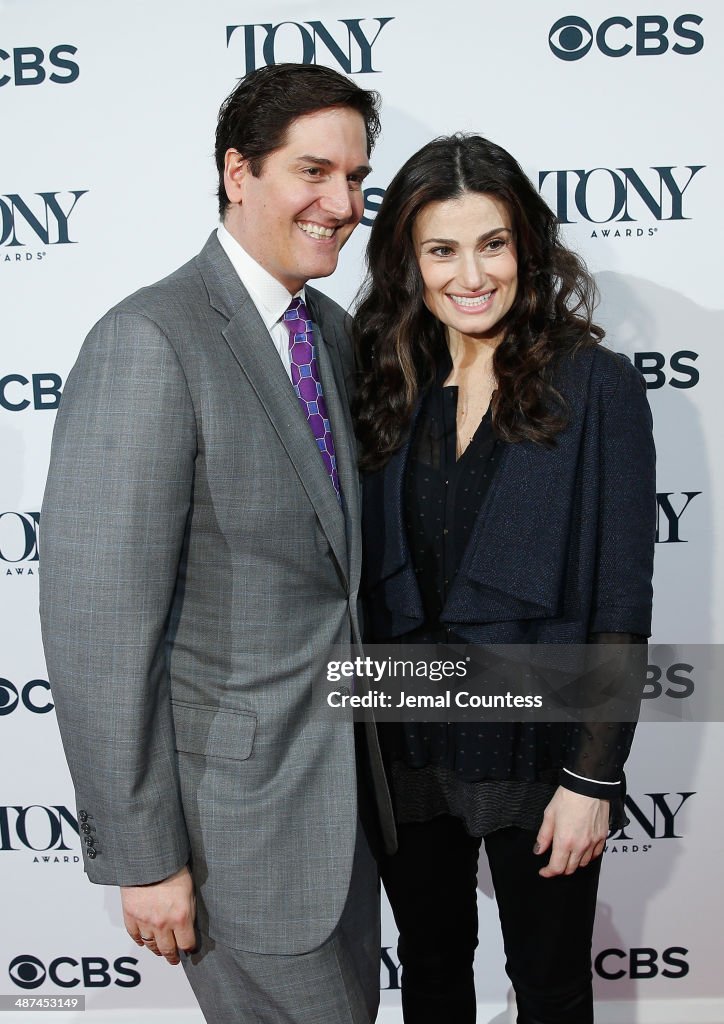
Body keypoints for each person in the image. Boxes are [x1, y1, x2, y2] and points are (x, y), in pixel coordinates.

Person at [39, 63, 395, 1024]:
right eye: (312, 172)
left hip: (348, 807)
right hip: (235, 827)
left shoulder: (327, 328)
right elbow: (100, 630)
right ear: (238, 173)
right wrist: (146, 857)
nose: (343, 204)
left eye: (358, 178)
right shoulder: (151, 340)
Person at [353, 134, 656, 1023]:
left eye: (493, 243)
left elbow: (620, 598)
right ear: (410, 261)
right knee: (432, 971)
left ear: (526, 244)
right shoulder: (380, 382)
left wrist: (595, 778)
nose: (470, 273)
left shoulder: (596, 386)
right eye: (441, 249)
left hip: (543, 748)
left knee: (551, 986)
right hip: (405, 738)